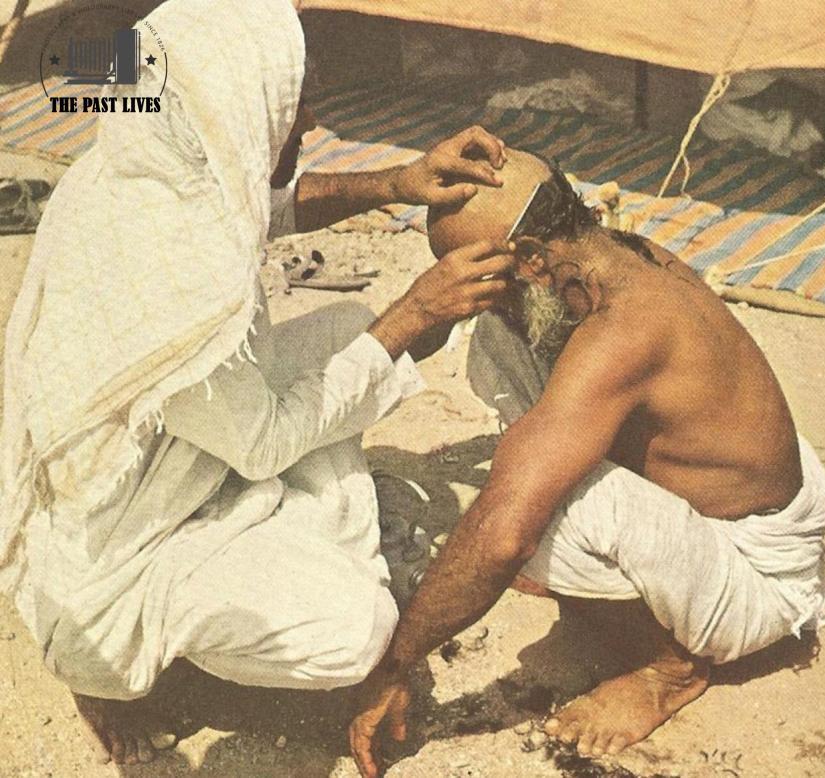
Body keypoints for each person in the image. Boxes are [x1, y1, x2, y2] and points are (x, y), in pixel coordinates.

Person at [0, 0, 514, 765]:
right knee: (355, 629)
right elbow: (268, 437)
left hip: (178, 453)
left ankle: (256, 540)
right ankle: (115, 670)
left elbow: (258, 205)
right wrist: (414, 314)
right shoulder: (177, 275)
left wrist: (399, 182)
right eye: (290, 98)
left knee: (345, 338)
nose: (305, 120)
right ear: (235, 98)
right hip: (115, 565)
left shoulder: (145, 168)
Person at [349, 150, 825, 776]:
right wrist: (435, 304)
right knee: (503, 337)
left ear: (530, 257)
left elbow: (502, 534)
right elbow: (443, 332)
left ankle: (670, 669)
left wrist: (393, 666)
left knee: (538, 514)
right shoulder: (610, 253)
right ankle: (633, 586)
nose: (475, 288)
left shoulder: (624, 329)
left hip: (756, 576)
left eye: (487, 271)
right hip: (738, 506)